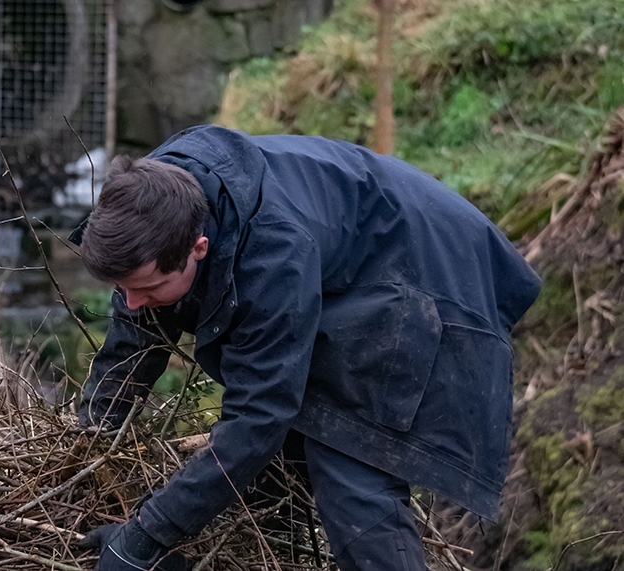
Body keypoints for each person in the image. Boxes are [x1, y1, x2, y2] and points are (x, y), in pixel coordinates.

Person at [71, 125, 541, 571]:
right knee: (270, 472)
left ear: (198, 247)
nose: (131, 302)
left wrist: (143, 539)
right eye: (121, 286)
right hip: (342, 262)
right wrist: (86, 448)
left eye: (146, 286)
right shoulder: (150, 201)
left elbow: (258, 419)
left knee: (351, 475)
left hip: (427, 277)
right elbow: (134, 339)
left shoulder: (271, 256)